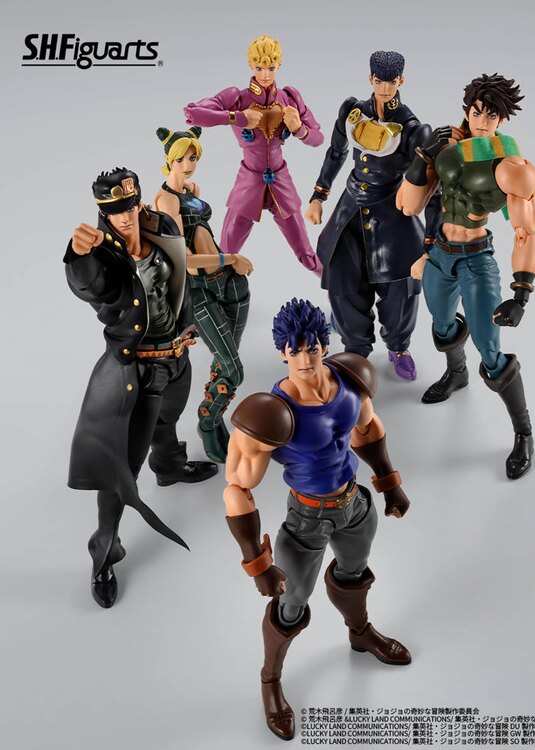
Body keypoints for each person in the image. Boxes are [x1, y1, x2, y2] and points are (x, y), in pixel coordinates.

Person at [223, 298, 412, 741]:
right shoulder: (269, 414)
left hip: (354, 505)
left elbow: (367, 427)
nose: (305, 359)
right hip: (306, 517)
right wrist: (257, 563)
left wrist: (388, 481)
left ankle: (360, 633)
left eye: (312, 348)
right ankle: (270, 679)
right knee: (291, 603)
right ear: (282, 352)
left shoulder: (350, 380)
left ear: (325, 345)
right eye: (295, 350)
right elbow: (236, 487)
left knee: (354, 574)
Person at [64, 167, 218, 609]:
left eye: (131, 207)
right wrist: (78, 256)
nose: (127, 217)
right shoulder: (103, 257)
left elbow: (180, 274)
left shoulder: (159, 225)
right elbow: (90, 285)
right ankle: (104, 549)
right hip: (142, 369)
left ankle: (168, 466)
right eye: (117, 212)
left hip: (178, 356)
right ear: (104, 215)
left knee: (168, 421)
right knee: (122, 468)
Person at [397, 73, 535, 478]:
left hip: (477, 259)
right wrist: (423, 156)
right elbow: (408, 205)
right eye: (477, 112)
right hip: (440, 254)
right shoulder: (449, 147)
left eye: (491, 116)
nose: (482, 121)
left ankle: (524, 433)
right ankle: (457, 374)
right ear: (467, 111)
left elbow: (524, 231)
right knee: (442, 325)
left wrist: (521, 293)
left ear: (502, 120)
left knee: (490, 350)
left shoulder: (510, 167)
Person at [305, 50, 441, 380]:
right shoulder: (353, 111)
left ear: (401, 81)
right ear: (371, 79)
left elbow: (430, 189)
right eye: (379, 81)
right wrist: (319, 195)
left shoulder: (413, 129)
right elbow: (336, 152)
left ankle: (399, 346)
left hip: (392, 209)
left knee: (399, 286)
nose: (384, 88)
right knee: (343, 277)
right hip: (350, 207)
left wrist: (429, 244)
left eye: (391, 82)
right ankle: (354, 348)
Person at [183, 34, 323, 275]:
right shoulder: (237, 98)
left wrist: (299, 128)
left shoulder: (289, 98)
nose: (265, 74)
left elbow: (318, 138)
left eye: (271, 67)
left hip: (281, 182)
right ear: (251, 65)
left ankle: (339, 291)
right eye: (259, 68)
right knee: (224, 255)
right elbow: (192, 113)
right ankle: (208, 293)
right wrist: (236, 117)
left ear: (279, 65)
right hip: (249, 183)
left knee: (307, 255)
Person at [154, 126, 253, 462]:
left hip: (230, 283)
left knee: (224, 362)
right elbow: (183, 260)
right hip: (200, 289)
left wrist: (229, 265)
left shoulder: (191, 189)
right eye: (181, 159)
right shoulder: (165, 201)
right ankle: (207, 421)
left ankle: (216, 418)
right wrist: (232, 258)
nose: (188, 164)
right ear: (169, 160)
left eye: (193, 157)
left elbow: (202, 232)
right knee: (234, 369)